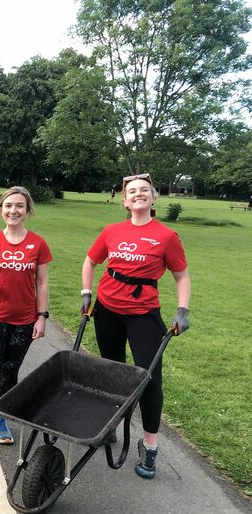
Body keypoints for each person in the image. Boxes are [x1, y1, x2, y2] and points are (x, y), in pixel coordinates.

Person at [81, 172, 191, 479]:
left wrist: (182, 310)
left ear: (154, 198)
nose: (138, 194)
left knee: (149, 379)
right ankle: (111, 425)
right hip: (107, 310)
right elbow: (90, 261)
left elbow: (181, 275)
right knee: (112, 370)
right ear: (124, 201)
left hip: (143, 314)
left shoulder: (166, 236)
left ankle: (150, 446)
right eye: (132, 191)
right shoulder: (112, 231)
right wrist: (87, 293)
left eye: (145, 190)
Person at [0, 186, 51, 444]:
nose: (13, 210)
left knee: (10, 372)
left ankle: (1, 417)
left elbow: (41, 283)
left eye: (19, 206)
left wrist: (41, 316)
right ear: (1, 210)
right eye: (8, 206)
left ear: (27, 210)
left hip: (24, 320)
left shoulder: (38, 243)